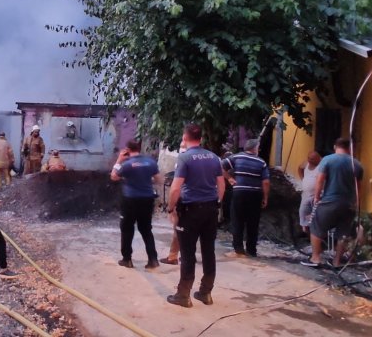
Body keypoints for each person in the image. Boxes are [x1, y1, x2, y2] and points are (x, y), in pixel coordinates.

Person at [165, 124, 225, 308]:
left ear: (185, 137)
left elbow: (175, 188)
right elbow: (221, 185)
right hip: (210, 210)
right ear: (201, 138)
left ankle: (183, 295)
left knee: (188, 252)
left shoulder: (185, 158)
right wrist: (217, 203)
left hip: (190, 210)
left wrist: (170, 207)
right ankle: (205, 293)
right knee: (208, 251)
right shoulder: (214, 158)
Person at [302, 138, 363, 268]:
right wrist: (356, 204)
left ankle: (316, 258)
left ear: (335, 146)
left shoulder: (328, 160)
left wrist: (317, 197)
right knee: (344, 232)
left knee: (316, 226)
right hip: (348, 203)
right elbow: (358, 187)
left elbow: (320, 180)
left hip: (330, 200)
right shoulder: (357, 164)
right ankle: (337, 261)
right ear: (349, 148)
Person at [111, 140, 162, 269]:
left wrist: (118, 160)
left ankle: (127, 259)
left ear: (127, 149)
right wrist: (145, 181)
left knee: (127, 229)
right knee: (146, 229)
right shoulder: (150, 162)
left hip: (130, 200)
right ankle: (153, 260)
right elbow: (159, 180)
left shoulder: (127, 164)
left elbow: (114, 177)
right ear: (140, 148)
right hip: (147, 199)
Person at [223, 139, 270, 257]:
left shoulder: (236, 157)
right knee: (253, 222)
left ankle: (238, 249)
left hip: (239, 192)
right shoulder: (261, 162)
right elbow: (266, 182)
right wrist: (265, 197)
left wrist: (229, 178)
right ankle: (251, 250)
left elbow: (220, 166)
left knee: (237, 220)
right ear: (255, 148)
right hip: (255, 194)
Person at [297, 151, 322, 233]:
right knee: (303, 212)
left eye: (312, 159)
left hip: (317, 195)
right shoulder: (306, 163)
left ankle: (314, 233)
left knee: (314, 214)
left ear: (318, 159)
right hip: (306, 195)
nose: (309, 160)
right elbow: (300, 168)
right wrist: (303, 179)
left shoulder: (322, 166)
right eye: (309, 158)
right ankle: (305, 231)